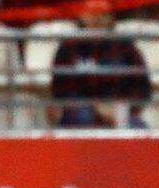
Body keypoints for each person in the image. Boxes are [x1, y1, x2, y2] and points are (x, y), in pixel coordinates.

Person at [50, 0, 151, 128]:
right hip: (79, 111)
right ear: (82, 16)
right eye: (92, 14)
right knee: (83, 118)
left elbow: (142, 88)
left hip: (118, 108)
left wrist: (121, 107)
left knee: (137, 127)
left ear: (111, 18)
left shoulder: (125, 47)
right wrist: (94, 106)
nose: (97, 20)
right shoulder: (69, 47)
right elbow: (60, 89)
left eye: (102, 14)